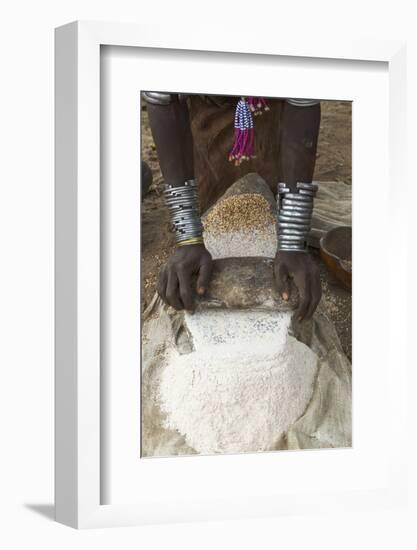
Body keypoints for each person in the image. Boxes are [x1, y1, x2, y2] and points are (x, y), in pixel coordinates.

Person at [143, 92, 322, 321]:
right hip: (208, 102)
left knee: (271, 198)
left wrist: (293, 241)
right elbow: (161, 98)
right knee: (212, 201)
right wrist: (188, 238)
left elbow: (303, 97)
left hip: (267, 102)